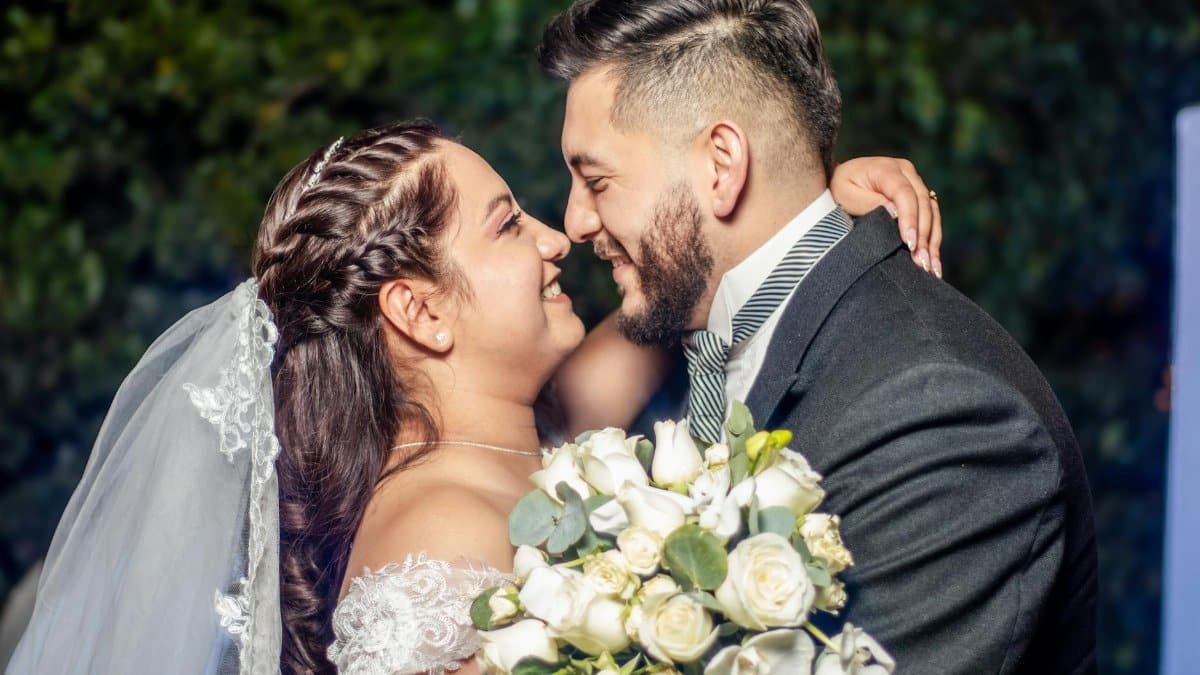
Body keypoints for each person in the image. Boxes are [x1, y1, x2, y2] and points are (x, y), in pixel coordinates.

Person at [5, 119, 939, 675]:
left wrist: (808, 205)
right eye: (506, 225)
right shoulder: (440, 529)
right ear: (420, 311)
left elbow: (681, 298)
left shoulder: (540, 423)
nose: (554, 239)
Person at [538, 1, 1098, 673]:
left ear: (721, 165)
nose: (574, 222)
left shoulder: (939, 410)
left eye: (596, 180)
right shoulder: (695, 350)